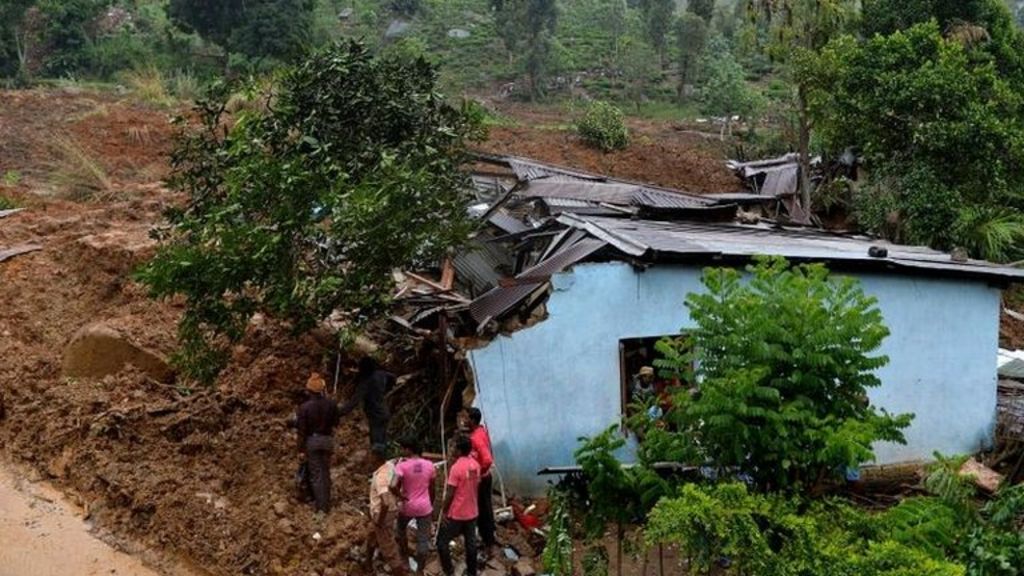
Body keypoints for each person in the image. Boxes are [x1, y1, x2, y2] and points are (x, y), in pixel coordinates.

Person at [295, 372, 339, 514]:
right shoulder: (331, 404)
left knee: (316, 475)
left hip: (312, 441)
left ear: (309, 390)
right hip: (327, 441)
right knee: (325, 472)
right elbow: (336, 422)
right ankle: (326, 502)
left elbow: (302, 431)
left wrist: (300, 450)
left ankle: (322, 508)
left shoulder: (304, 408)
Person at [437, 435, 481, 576]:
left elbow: (450, 493)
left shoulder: (456, 468)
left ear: (459, 450)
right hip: (472, 511)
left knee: (442, 542)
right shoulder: (475, 465)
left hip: (457, 513)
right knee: (471, 544)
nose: (451, 449)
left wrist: (444, 512)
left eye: (454, 446)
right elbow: (475, 486)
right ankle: (472, 572)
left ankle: (449, 571)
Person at [392, 436, 436, 573]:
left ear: (408, 449)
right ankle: (420, 570)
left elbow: (392, 485)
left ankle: (405, 559)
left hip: (408, 506)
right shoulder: (429, 465)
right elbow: (432, 488)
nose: (401, 451)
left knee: (400, 531)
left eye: (402, 448)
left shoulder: (402, 466)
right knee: (423, 539)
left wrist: (400, 496)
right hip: (424, 507)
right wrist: (431, 504)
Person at [340, 357, 394, 457]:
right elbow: (392, 378)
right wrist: (387, 389)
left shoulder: (366, 383)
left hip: (375, 415)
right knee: (383, 439)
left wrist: (339, 412)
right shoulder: (381, 374)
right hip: (384, 411)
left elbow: (354, 402)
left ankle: (378, 464)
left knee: (377, 444)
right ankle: (384, 460)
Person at [367, 451, 409, 576]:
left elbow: (384, 502)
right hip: (390, 511)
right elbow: (398, 461)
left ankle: (399, 572)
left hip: (382, 514)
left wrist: (379, 521)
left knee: (389, 549)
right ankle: (368, 565)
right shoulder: (389, 466)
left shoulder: (380, 477)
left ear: (376, 457)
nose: (369, 458)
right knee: (372, 536)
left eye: (371, 455)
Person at [466, 407, 497, 553]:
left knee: (482, 510)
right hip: (484, 477)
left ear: (472, 420)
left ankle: (488, 541)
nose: (463, 420)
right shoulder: (480, 432)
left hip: (481, 479)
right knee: (485, 509)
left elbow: (487, 459)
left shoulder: (476, 438)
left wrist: (479, 474)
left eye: (466, 418)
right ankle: (488, 538)